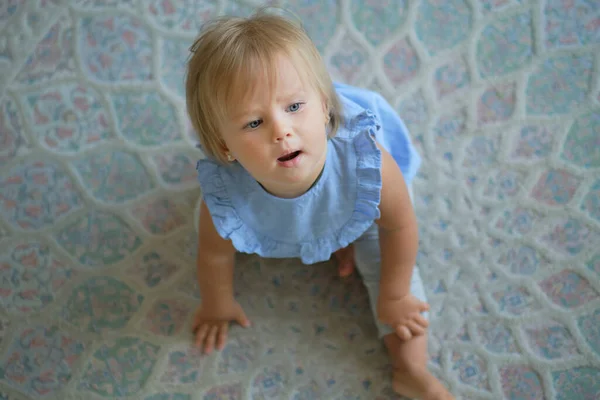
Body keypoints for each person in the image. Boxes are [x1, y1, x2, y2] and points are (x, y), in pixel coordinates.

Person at [185, 9, 454, 400]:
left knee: (402, 295)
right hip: (286, 214)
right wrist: (216, 302)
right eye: (253, 124)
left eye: (295, 106)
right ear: (225, 146)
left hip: (359, 209)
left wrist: (394, 296)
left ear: (326, 106)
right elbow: (213, 254)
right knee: (209, 224)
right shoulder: (226, 196)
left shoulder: (368, 165)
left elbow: (400, 225)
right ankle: (334, 240)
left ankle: (410, 372)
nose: (282, 130)